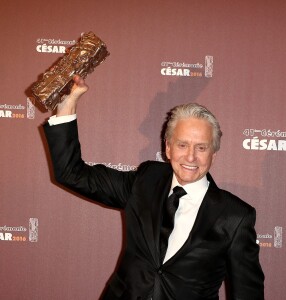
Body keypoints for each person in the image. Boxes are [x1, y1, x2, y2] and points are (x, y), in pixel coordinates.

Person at [43, 75, 264, 300]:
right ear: (168, 148)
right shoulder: (145, 181)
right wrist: (68, 103)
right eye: (182, 145)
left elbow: (247, 293)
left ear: (213, 155)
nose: (191, 156)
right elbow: (72, 174)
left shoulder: (235, 216)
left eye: (201, 147)